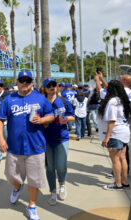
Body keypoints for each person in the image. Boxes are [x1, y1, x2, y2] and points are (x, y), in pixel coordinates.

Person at [0, 71, 54, 220]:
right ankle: (17, 187)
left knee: (34, 179)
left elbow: (52, 115)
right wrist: (1, 138)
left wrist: (41, 121)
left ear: (32, 83)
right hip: (14, 147)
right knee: (10, 175)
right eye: (21, 80)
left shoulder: (40, 98)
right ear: (17, 82)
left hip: (36, 147)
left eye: (27, 81)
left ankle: (31, 206)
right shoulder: (9, 99)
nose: (24, 83)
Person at [40, 78, 75, 206]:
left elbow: (73, 116)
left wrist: (66, 119)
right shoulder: (41, 102)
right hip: (46, 139)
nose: (52, 87)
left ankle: (62, 185)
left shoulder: (63, 101)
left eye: (54, 84)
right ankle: (53, 192)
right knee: (50, 167)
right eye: (48, 85)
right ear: (44, 88)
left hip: (62, 138)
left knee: (61, 165)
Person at [97, 80, 131, 190]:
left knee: (115, 160)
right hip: (125, 131)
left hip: (116, 133)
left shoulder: (112, 101)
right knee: (123, 158)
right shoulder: (122, 100)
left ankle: (118, 184)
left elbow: (112, 121)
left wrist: (107, 137)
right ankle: (125, 182)